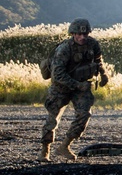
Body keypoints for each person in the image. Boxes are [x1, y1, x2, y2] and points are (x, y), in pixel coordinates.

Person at [39, 19, 108, 162]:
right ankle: (45, 150)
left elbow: (98, 59)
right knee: (52, 118)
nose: (82, 37)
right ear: (73, 34)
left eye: (85, 34)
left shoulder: (93, 44)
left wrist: (103, 73)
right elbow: (57, 74)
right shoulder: (64, 49)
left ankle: (65, 146)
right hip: (61, 87)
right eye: (79, 34)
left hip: (81, 86)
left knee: (84, 115)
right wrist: (76, 85)